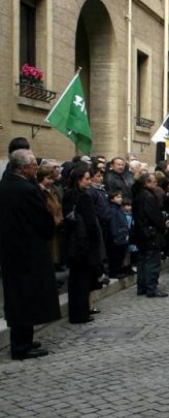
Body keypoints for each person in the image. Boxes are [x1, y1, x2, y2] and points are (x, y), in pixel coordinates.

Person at [0, 149, 60, 360]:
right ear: (23, 167)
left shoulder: (7, 185)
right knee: (25, 297)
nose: (37, 167)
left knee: (21, 297)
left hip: (13, 250)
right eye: (34, 164)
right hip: (27, 250)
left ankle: (24, 338)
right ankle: (21, 345)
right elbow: (42, 219)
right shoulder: (25, 189)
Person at [63, 164, 107, 324]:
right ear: (79, 179)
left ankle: (76, 312)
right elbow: (91, 223)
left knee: (75, 280)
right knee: (83, 280)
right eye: (87, 179)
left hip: (72, 243)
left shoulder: (67, 195)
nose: (90, 182)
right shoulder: (84, 197)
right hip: (84, 244)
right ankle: (81, 314)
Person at [132, 173, 168, 297]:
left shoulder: (139, 195)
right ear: (146, 183)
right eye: (153, 182)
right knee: (152, 261)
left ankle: (142, 287)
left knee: (143, 261)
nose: (155, 183)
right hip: (150, 233)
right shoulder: (148, 197)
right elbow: (154, 216)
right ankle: (151, 288)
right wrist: (162, 225)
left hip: (141, 233)